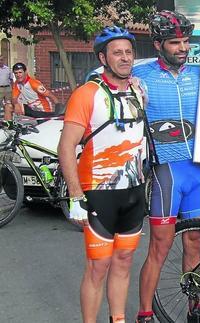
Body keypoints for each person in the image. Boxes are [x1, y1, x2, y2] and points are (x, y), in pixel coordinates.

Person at [58, 26, 147, 323]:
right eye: (117, 53)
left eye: (128, 52)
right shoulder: (86, 94)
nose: (125, 58)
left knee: (123, 261)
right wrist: (75, 194)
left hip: (134, 191)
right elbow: (66, 146)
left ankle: (117, 319)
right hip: (98, 192)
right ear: (103, 57)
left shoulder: (138, 90)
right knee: (99, 266)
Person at [132, 10, 200, 323]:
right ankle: (145, 314)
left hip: (198, 169)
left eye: (186, 41)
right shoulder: (143, 78)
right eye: (175, 42)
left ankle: (196, 309)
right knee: (160, 247)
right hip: (166, 171)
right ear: (157, 44)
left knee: (195, 241)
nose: (183, 47)